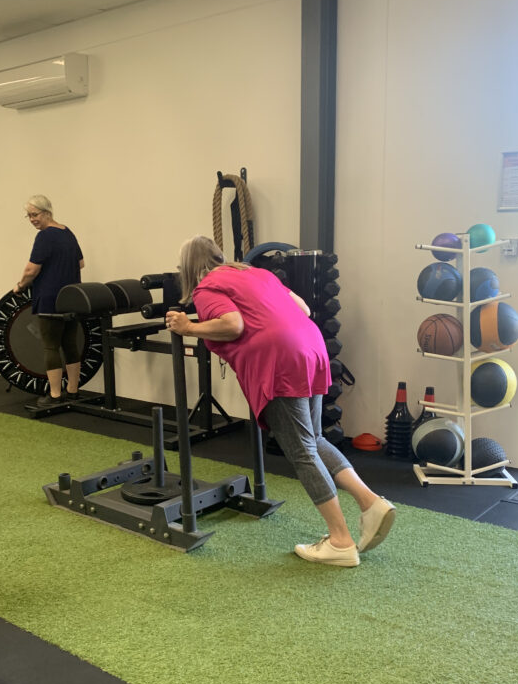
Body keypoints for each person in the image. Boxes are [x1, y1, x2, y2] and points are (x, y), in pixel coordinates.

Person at [165, 236, 395, 567]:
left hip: (280, 359)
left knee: (301, 451)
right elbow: (302, 308)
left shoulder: (207, 288)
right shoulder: (256, 273)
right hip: (312, 347)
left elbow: (233, 324)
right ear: (219, 256)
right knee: (314, 440)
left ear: (187, 269)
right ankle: (371, 503)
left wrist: (188, 327)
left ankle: (341, 542)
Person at [13, 194, 85, 409]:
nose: (32, 219)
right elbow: (81, 263)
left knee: (50, 347)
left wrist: (20, 285)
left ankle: (54, 395)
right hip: (72, 298)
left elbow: (31, 270)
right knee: (70, 344)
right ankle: (73, 391)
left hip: (50, 299)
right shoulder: (67, 232)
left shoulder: (45, 236)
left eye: (35, 215)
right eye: (28, 216)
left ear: (47, 213)